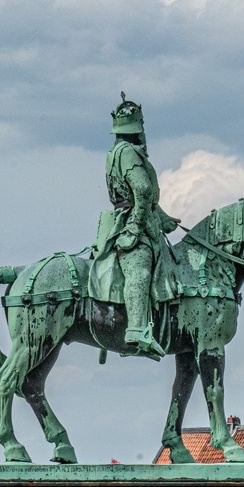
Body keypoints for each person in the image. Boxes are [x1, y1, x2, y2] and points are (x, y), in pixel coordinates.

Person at [100, 94, 180, 359]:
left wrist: (163, 217)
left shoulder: (117, 151)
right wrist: (136, 227)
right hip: (131, 223)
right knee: (140, 267)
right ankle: (136, 331)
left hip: (135, 217)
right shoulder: (127, 152)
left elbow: (141, 196)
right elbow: (142, 191)